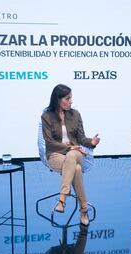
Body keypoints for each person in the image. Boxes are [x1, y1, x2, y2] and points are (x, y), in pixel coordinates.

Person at [41, 84, 100, 226]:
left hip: (75, 153)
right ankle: (84, 210)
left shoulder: (75, 114)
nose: (71, 101)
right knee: (77, 169)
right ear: (58, 99)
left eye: (71, 98)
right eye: (68, 98)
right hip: (55, 154)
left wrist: (91, 142)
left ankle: (62, 199)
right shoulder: (47, 116)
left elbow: (81, 138)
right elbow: (49, 142)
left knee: (73, 155)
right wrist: (71, 147)